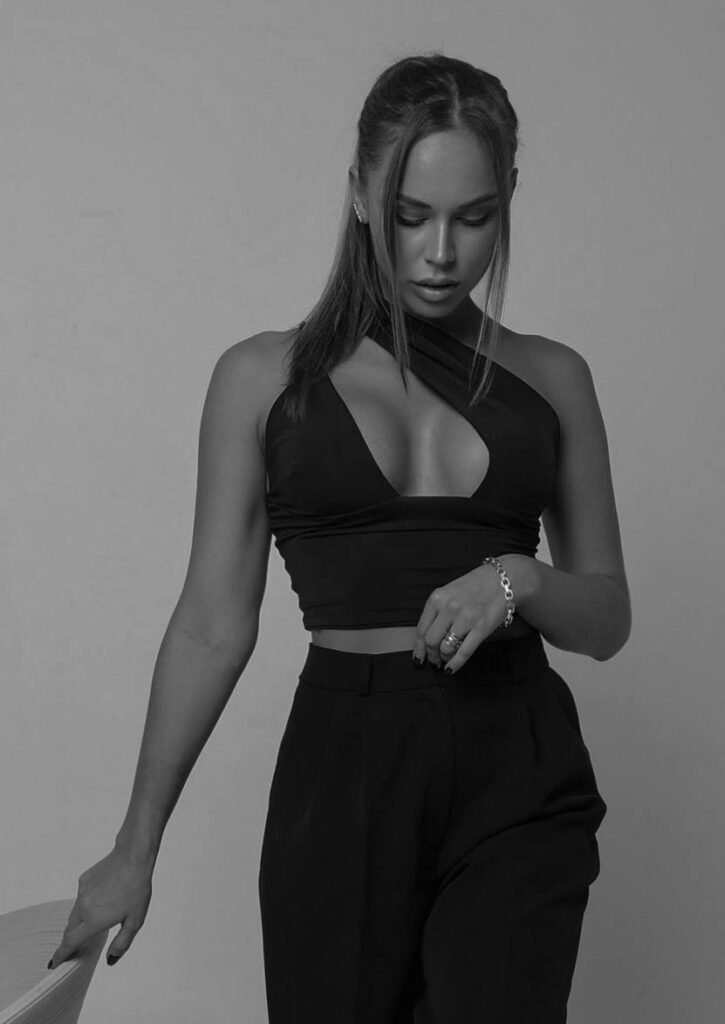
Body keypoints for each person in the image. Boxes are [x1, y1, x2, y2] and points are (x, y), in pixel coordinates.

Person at [49, 52, 631, 1023]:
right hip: (345, 762)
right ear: (360, 193)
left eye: (474, 217)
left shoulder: (554, 377)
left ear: (508, 199)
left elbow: (606, 616)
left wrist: (516, 578)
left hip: (516, 759)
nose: (440, 251)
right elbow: (210, 624)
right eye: (410, 215)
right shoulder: (262, 379)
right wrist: (133, 847)